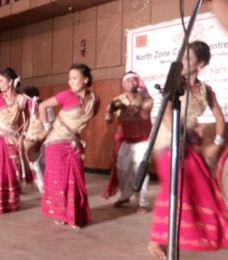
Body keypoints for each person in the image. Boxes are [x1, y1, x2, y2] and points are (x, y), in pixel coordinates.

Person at [148, 41, 228, 258]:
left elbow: (220, 119)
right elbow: (164, 111)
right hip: (168, 140)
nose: (183, 61)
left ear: (200, 64)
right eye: (182, 56)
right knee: (173, 187)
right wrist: (177, 136)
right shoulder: (174, 82)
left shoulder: (205, 90)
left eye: (189, 58)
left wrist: (217, 143)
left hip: (190, 143)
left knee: (200, 189)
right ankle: (157, 240)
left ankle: (173, 236)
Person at [39, 63, 100, 229]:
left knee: (75, 179)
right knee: (59, 181)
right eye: (69, 78)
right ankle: (60, 214)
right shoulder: (67, 95)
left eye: (75, 78)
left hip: (72, 142)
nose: (71, 81)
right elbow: (42, 106)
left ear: (86, 79)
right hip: (55, 142)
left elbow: (86, 119)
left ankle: (74, 215)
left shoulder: (95, 100)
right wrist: (47, 128)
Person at [103, 72, 153, 214]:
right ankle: (125, 196)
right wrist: (110, 111)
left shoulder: (146, 99)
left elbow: (144, 116)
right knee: (122, 171)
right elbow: (108, 121)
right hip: (125, 141)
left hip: (142, 141)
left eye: (134, 79)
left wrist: (124, 108)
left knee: (140, 171)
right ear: (123, 84)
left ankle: (142, 202)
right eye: (128, 80)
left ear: (138, 83)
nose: (131, 82)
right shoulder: (117, 100)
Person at [0, 67, 29, 214]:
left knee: (12, 171)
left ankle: (11, 203)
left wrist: (22, 136)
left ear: (10, 82)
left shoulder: (21, 99)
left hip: (13, 140)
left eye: (1, 81)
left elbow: (28, 119)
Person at [23, 86, 54, 193]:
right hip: (30, 141)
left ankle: (46, 189)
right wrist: (24, 135)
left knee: (42, 165)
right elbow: (27, 123)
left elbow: (51, 126)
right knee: (35, 166)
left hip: (42, 141)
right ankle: (44, 189)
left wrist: (41, 138)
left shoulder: (46, 108)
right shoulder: (28, 110)